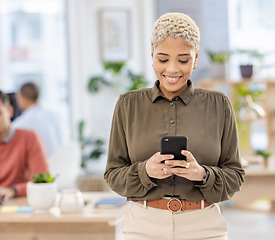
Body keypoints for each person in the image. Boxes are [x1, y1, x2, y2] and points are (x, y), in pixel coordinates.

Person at [104, 12, 245, 240]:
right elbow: (113, 175)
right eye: (162, 59)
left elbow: (235, 176)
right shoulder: (128, 105)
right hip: (143, 227)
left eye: (183, 60)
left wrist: (203, 174)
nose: (172, 69)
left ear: (195, 58)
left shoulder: (219, 105)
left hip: (204, 227)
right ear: (151, 56)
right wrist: (145, 171)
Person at [13, 82, 65, 157]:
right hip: (62, 164)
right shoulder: (55, 114)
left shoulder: (21, 123)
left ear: (24, 98)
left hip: (42, 166)